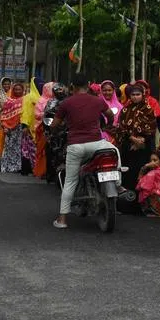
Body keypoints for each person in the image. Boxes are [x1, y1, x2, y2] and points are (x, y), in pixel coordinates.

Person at [52, 75, 112, 229]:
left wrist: (54, 130)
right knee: (114, 152)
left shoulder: (66, 103)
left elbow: (55, 124)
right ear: (89, 85)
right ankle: (118, 184)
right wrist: (106, 127)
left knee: (70, 181)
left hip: (76, 146)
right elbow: (110, 115)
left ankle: (62, 220)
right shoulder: (97, 101)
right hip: (97, 144)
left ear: (72, 86)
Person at [114, 84, 158, 215]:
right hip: (129, 148)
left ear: (143, 95)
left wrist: (141, 140)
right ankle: (126, 205)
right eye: (133, 94)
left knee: (143, 174)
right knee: (128, 175)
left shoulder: (148, 109)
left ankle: (142, 206)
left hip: (144, 149)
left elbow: (152, 127)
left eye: (138, 94)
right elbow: (121, 128)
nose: (135, 97)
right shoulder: (125, 110)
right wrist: (133, 139)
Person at [0, 81, 27, 174]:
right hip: (9, 129)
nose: (17, 91)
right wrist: (5, 127)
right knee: (9, 147)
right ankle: (7, 166)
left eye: (19, 89)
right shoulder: (8, 101)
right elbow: (4, 115)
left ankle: (17, 167)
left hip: (20, 128)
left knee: (19, 148)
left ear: (23, 90)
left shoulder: (25, 100)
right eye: (15, 89)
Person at [31, 82, 55, 179]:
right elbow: (36, 115)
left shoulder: (57, 100)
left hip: (54, 128)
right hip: (42, 127)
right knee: (42, 151)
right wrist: (47, 113)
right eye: (52, 89)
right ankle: (41, 171)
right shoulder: (41, 101)